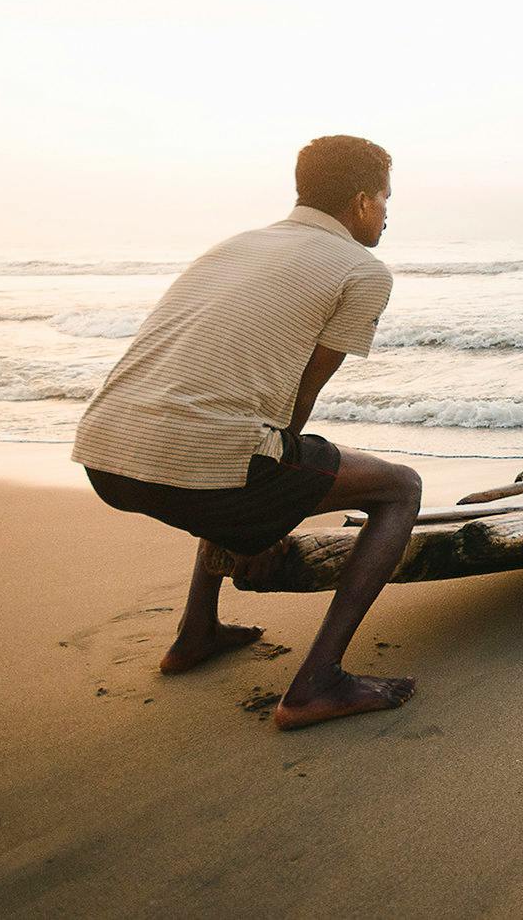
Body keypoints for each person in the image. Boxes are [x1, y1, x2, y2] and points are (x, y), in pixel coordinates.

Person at [74, 135, 423, 730]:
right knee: (400, 488)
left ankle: (197, 632)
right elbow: (298, 400)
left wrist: (254, 524)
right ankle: (318, 683)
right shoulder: (363, 270)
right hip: (193, 465)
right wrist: (260, 531)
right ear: (363, 201)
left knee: (221, 438)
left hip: (105, 452)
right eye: (387, 200)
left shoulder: (237, 244)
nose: (389, 214)